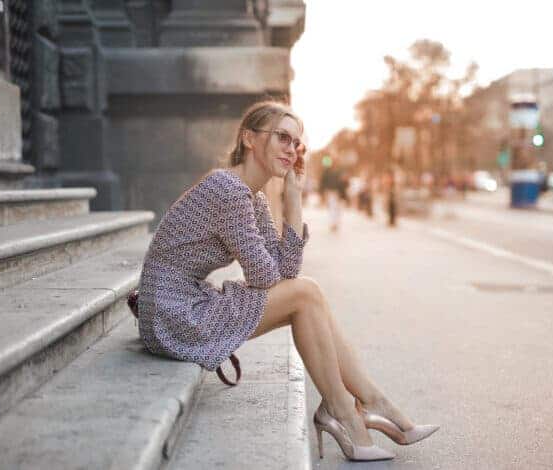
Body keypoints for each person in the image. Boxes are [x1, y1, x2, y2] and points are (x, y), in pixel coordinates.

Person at [134, 100, 438, 462]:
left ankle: (362, 406)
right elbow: (266, 277)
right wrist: (281, 259)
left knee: (307, 293)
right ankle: (352, 409)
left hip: (185, 305)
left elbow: (286, 271)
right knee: (306, 294)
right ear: (249, 138)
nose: (292, 150)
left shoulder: (253, 198)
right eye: (282, 138)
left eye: (297, 143)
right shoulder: (226, 189)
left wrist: (293, 196)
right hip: (172, 315)